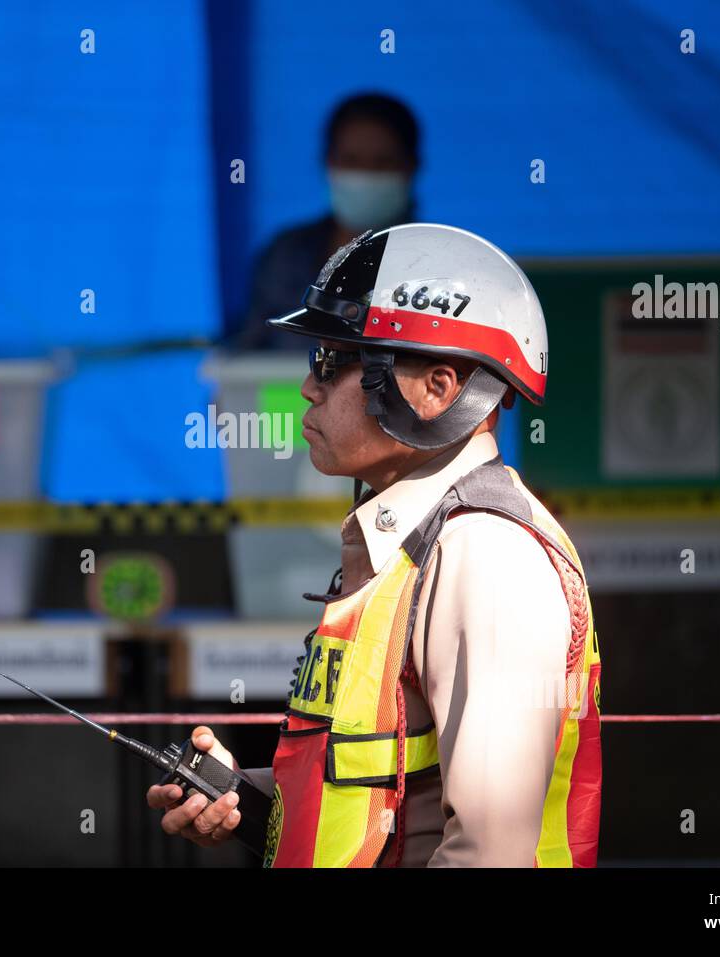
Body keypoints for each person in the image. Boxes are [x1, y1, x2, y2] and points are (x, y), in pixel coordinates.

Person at [148, 223, 603, 867]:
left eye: (332, 361)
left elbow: (489, 853)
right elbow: (382, 799)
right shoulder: (411, 543)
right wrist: (245, 805)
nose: (309, 386)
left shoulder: (486, 558)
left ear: (437, 390)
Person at [233, 92, 421, 351]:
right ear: (327, 162)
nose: (365, 175)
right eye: (351, 160)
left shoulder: (436, 264)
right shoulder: (285, 256)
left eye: (382, 162)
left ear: (412, 166)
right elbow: (244, 364)